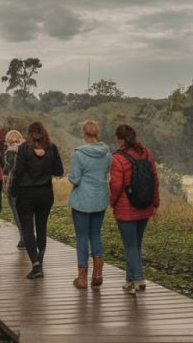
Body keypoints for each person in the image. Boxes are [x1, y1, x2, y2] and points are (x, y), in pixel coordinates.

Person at [110, 124, 160, 295]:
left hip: (126, 208)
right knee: (135, 245)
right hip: (145, 207)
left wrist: (112, 202)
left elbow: (116, 185)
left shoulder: (117, 158)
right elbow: (154, 179)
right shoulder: (146, 153)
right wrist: (155, 203)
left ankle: (138, 279)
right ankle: (129, 281)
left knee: (130, 245)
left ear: (120, 139)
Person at [11, 121, 63, 279]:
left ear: (29, 133)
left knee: (27, 228)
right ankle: (40, 259)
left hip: (26, 193)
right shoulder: (52, 148)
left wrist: (14, 191)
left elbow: (18, 172)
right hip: (45, 193)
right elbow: (59, 171)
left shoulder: (24, 148)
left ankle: (35, 264)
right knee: (41, 226)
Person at [68, 120, 111, 289]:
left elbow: (75, 178)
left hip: (81, 201)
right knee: (96, 235)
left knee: (81, 237)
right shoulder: (107, 153)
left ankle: (82, 277)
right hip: (99, 198)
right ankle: (98, 273)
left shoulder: (79, 154)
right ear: (97, 133)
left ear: (84, 133)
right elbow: (106, 173)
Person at [3, 129, 26, 249]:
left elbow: (8, 169)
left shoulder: (10, 152)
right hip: (28, 185)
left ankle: (23, 238)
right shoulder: (28, 149)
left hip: (14, 185)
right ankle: (29, 235)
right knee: (27, 212)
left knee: (16, 212)